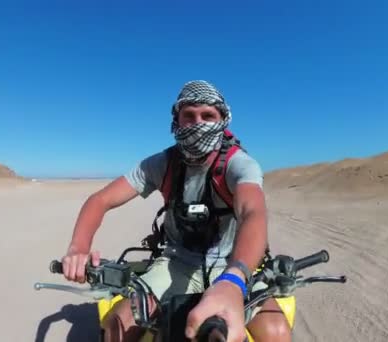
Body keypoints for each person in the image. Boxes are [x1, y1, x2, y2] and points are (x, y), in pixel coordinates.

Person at [60, 80, 291, 342]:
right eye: (189, 116)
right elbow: (100, 200)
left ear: (223, 120)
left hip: (232, 265)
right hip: (175, 263)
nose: (198, 123)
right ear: (177, 121)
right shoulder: (161, 164)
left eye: (208, 116)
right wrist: (78, 247)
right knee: (118, 327)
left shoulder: (239, 165)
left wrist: (234, 280)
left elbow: (253, 213)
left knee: (276, 332)